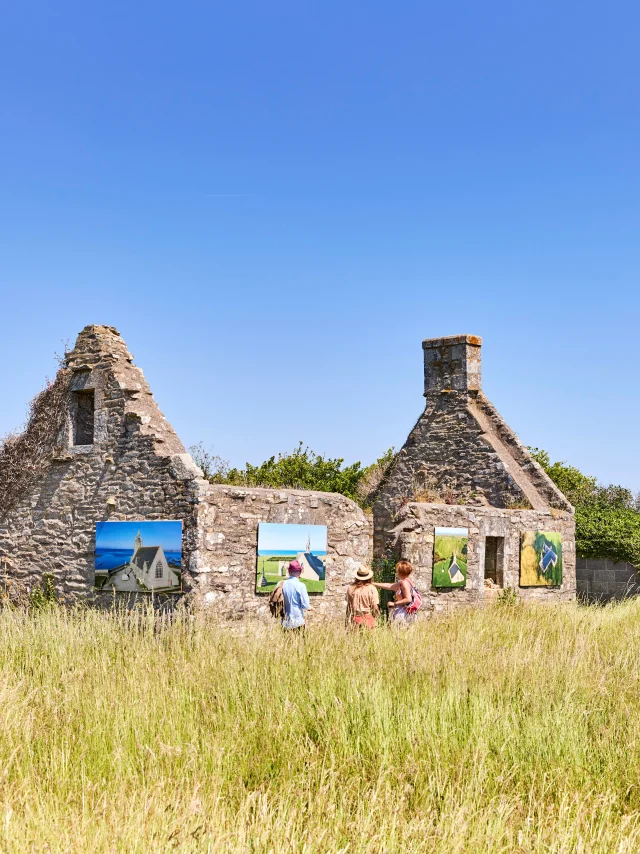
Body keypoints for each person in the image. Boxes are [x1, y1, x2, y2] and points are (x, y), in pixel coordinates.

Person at [373, 560, 417, 625]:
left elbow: (408, 599)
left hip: (403, 613)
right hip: (407, 612)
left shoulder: (404, 583)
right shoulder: (408, 581)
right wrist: (373, 584)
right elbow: (390, 586)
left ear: (400, 572)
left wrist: (394, 603)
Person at [345, 565, 380, 629]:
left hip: (355, 618)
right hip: (368, 618)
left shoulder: (350, 588)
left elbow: (349, 606)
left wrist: (347, 621)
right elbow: (375, 607)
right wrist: (377, 616)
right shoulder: (372, 589)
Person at [281, 559, 311, 631]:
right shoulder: (301, 586)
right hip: (297, 622)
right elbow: (306, 605)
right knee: (300, 642)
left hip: (285, 622)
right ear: (300, 572)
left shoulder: (281, 584)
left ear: (289, 571)